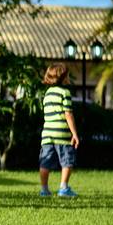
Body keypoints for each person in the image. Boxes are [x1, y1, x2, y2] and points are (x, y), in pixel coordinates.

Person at [39, 63, 80, 198]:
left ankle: (44, 189)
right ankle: (63, 187)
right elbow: (68, 114)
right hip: (62, 134)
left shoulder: (47, 94)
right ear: (64, 78)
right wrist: (74, 133)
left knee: (45, 162)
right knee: (67, 161)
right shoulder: (65, 93)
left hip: (47, 134)